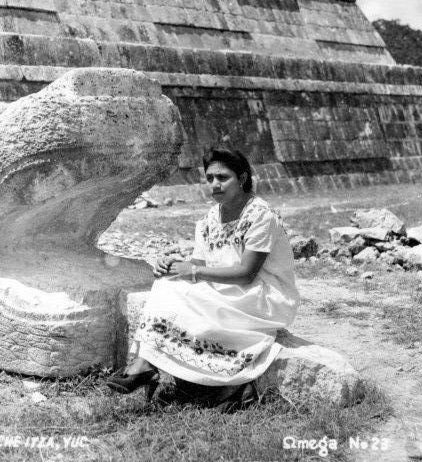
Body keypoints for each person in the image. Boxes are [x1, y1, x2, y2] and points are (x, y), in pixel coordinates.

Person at [106, 147, 299, 407]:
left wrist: (193, 272)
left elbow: (246, 273)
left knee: (173, 291)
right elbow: (198, 263)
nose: (215, 185)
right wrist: (173, 264)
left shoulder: (260, 214)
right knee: (166, 283)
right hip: (229, 288)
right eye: (210, 179)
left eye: (223, 177)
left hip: (263, 295)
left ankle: (145, 366)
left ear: (242, 178)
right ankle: (145, 363)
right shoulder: (210, 218)